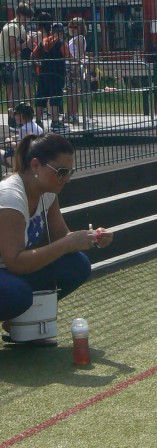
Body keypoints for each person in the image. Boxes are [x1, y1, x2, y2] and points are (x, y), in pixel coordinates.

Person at [0, 132, 113, 341]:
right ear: (35, 165)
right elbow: (15, 262)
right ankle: (18, 313)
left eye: (70, 172)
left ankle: (21, 319)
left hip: (8, 271)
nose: (67, 179)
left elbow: (61, 237)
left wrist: (93, 237)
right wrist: (68, 243)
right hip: (10, 269)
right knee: (17, 294)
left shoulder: (48, 192)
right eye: (61, 172)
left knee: (77, 265)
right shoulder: (10, 197)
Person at [32, 18, 71, 131]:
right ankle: (55, 122)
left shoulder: (43, 42)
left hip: (43, 74)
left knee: (41, 97)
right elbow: (68, 56)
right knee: (55, 98)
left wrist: (38, 63)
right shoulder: (61, 44)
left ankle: (38, 121)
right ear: (61, 32)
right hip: (57, 75)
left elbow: (33, 55)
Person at [0, 3, 34, 110]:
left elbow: (26, 38)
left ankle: (13, 113)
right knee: (11, 90)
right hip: (4, 61)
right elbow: (12, 47)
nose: (27, 20)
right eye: (25, 16)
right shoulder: (13, 27)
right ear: (19, 15)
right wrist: (25, 45)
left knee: (16, 87)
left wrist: (30, 38)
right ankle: (12, 115)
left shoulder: (20, 27)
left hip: (11, 61)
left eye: (29, 17)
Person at [3, 102, 43, 170]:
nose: (14, 116)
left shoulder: (23, 129)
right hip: (36, 156)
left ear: (21, 115)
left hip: (25, 160)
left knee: (3, 154)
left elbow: (19, 147)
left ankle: (15, 170)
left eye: (15, 114)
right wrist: (17, 137)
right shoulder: (37, 127)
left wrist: (9, 141)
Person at [65, 17, 87, 125]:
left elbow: (80, 54)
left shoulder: (79, 38)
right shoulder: (73, 39)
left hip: (73, 66)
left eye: (75, 26)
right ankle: (72, 114)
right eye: (70, 26)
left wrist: (78, 63)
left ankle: (72, 114)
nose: (71, 29)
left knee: (72, 92)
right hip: (71, 66)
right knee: (72, 91)